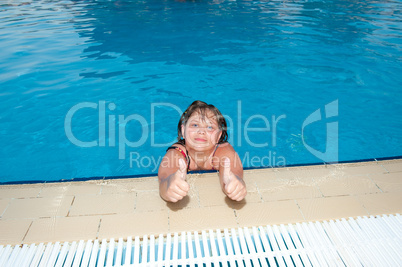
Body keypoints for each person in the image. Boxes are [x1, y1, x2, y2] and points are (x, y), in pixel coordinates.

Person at [158, 100, 247, 202]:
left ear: (218, 136)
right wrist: (168, 186)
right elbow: (164, 178)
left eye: (210, 127)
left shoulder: (223, 151)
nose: (201, 131)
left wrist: (235, 185)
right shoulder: (177, 153)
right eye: (195, 125)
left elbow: (233, 173)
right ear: (183, 131)